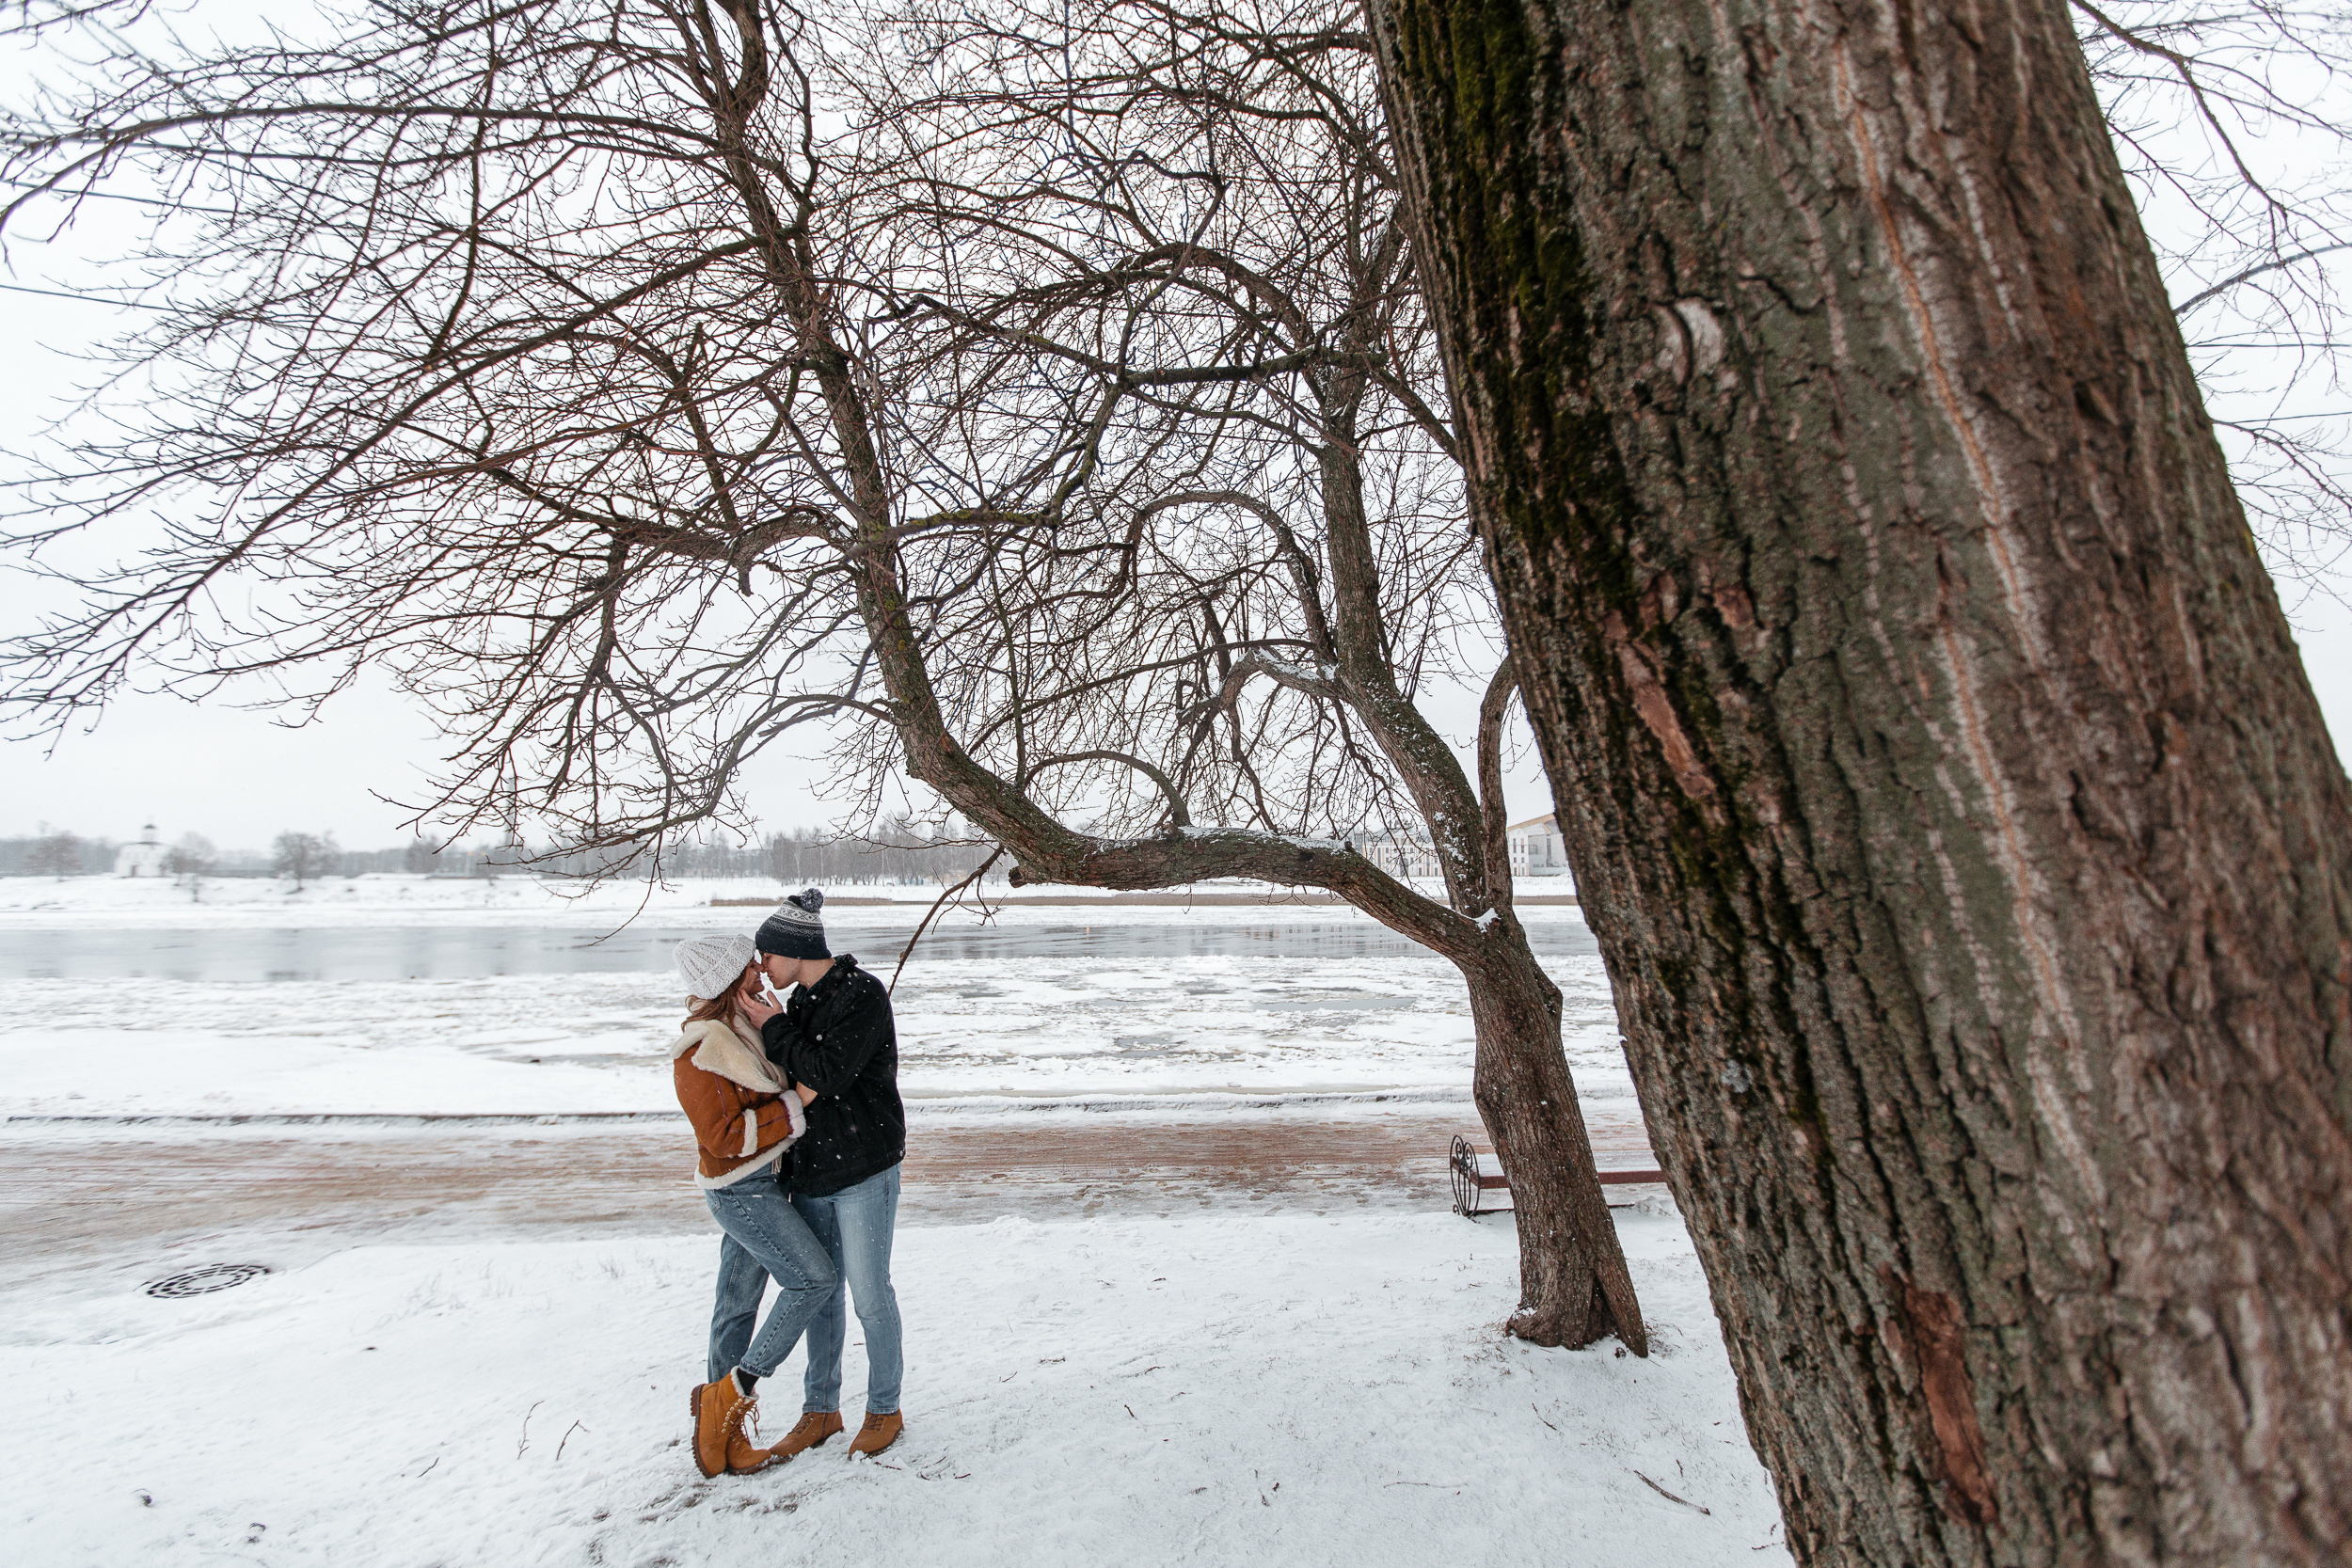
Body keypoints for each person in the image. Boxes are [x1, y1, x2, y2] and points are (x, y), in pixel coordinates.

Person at [751, 888, 908, 1459]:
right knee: (822, 1297)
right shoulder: (801, 1005)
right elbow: (802, 1076)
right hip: (813, 1171)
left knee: (870, 1295)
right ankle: (821, 1411)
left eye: (767, 955)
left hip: (865, 1166)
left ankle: (884, 1409)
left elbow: (828, 1073)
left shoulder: (862, 996)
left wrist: (771, 1026)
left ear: (793, 949)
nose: (764, 968)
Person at [670, 932, 833, 1480]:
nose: (760, 971)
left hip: (764, 1183)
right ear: (725, 980)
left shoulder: (741, 1031)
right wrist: (797, 1103)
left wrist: (778, 1025)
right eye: (748, 966)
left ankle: (725, 1431)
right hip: (740, 1191)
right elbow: (722, 1137)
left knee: (736, 1306)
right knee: (813, 1281)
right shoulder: (700, 1051)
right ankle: (732, 1393)